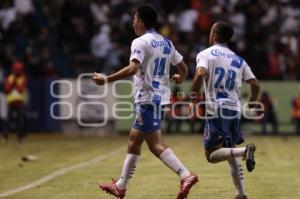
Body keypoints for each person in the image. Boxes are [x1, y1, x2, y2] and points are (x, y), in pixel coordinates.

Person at [92, 4, 198, 199]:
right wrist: (180, 78)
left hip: (147, 97)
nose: (133, 22)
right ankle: (121, 186)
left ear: (140, 21)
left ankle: (185, 175)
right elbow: (183, 67)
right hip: (159, 97)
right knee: (134, 139)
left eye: (134, 19)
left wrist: (106, 80)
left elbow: (133, 69)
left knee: (155, 144)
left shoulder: (140, 42)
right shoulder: (166, 43)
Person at [189, 21, 260, 199]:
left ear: (214, 35)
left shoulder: (205, 54)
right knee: (230, 151)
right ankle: (241, 194)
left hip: (216, 108)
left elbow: (200, 73)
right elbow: (255, 84)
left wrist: (192, 99)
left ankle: (245, 151)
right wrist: (252, 102)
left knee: (211, 155)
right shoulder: (238, 59)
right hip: (234, 108)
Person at [4, 61, 28, 142]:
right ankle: (6, 136)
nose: (16, 71)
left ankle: (20, 137)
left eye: (17, 70)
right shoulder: (10, 77)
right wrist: (13, 81)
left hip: (20, 102)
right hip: (11, 102)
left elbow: (20, 90)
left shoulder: (23, 78)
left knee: (20, 120)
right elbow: (7, 89)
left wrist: (15, 82)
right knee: (8, 120)